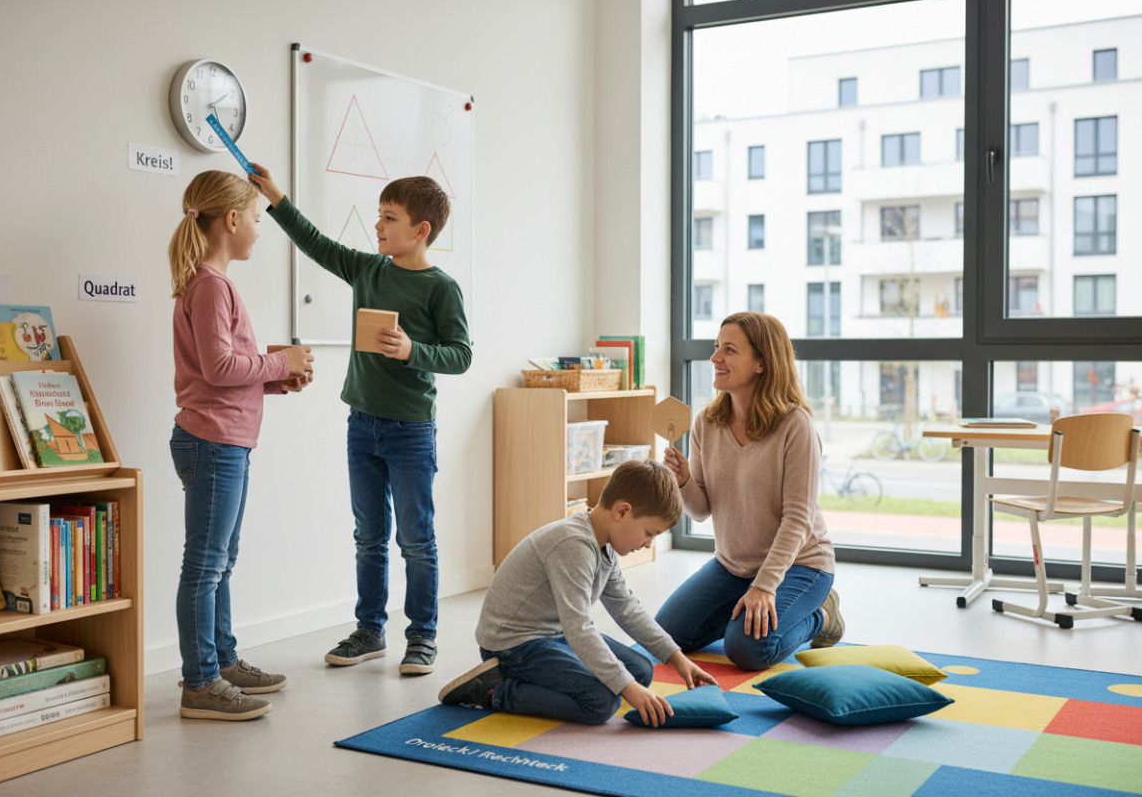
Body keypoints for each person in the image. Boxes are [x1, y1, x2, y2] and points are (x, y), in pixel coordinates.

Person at [248, 164, 472, 676]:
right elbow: (316, 243)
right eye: (379, 216)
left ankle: (422, 637)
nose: (378, 226)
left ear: (421, 230)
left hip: (411, 430)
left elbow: (461, 355)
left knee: (416, 540)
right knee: (368, 536)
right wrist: (276, 196)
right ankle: (369, 631)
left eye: (389, 218)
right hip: (362, 424)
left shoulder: (441, 288)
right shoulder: (368, 270)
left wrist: (413, 350)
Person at [169, 170, 314, 721]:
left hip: (223, 440)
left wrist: (279, 379)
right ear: (231, 220)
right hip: (212, 443)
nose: (259, 227)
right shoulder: (211, 285)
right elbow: (219, 367)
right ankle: (200, 682)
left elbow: (223, 372)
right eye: (256, 218)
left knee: (220, 562)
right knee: (206, 565)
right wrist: (280, 362)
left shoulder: (211, 283)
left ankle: (222, 662)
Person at [437, 459, 719, 726]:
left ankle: (541, 678)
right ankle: (493, 691)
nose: (648, 544)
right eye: (649, 532)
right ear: (622, 512)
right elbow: (579, 628)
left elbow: (627, 608)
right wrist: (626, 688)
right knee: (601, 702)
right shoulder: (573, 545)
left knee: (640, 672)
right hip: (513, 643)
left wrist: (677, 658)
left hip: (555, 635)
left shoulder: (605, 544)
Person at [655, 311, 842, 672]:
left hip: (800, 565)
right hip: (732, 566)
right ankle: (743, 611)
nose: (715, 357)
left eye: (729, 350)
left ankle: (823, 615)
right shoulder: (706, 423)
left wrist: (765, 586)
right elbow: (701, 510)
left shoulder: (795, 425)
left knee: (747, 649)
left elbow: (798, 520)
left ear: (761, 363)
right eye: (716, 347)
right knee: (667, 636)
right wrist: (683, 481)